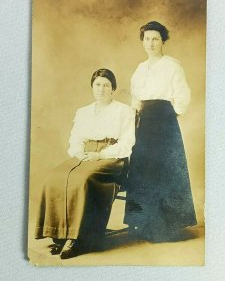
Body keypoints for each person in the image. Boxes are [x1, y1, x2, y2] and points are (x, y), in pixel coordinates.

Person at [35, 68, 135, 259]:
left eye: (106, 85)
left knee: (83, 179)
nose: (102, 89)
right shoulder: (83, 112)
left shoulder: (123, 111)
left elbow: (126, 143)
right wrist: (78, 153)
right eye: (98, 84)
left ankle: (82, 239)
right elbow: (75, 139)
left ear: (113, 88)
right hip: (86, 155)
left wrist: (101, 155)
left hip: (111, 159)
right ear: (92, 87)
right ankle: (60, 235)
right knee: (54, 176)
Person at [124, 21, 197, 242]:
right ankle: (143, 224)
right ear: (142, 41)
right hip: (143, 124)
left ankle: (166, 228)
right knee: (144, 170)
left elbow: (182, 96)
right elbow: (135, 98)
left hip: (164, 124)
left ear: (163, 40)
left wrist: (167, 115)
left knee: (165, 171)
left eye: (155, 38)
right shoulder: (140, 68)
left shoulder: (172, 65)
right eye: (147, 39)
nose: (151, 43)